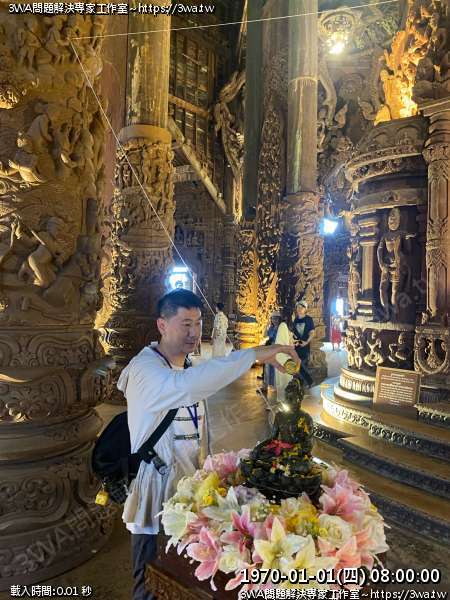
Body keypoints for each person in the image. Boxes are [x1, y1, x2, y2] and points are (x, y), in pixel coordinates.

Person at [117, 289, 299, 600]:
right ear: (162, 325)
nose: (194, 332)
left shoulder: (187, 366)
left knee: (181, 580)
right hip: (156, 490)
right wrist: (256, 354)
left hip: (189, 491)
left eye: (199, 323)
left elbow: (200, 427)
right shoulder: (145, 369)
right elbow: (187, 387)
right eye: (185, 324)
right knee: (150, 582)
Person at [292, 299, 315, 388]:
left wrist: (307, 342)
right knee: (298, 364)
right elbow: (294, 333)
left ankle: (309, 382)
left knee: (302, 364)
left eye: (301, 307)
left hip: (305, 346)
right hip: (296, 346)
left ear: (305, 309)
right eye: (298, 307)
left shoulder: (308, 319)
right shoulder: (295, 320)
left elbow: (312, 332)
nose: (299, 309)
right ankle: (302, 383)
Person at [262, 311, 282, 389]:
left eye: (276, 319)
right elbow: (265, 336)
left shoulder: (281, 328)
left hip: (277, 350)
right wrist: (266, 326)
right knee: (267, 367)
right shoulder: (271, 327)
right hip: (270, 349)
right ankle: (267, 384)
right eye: (273, 319)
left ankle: (275, 384)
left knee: (275, 368)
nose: (274, 320)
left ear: (279, 319)